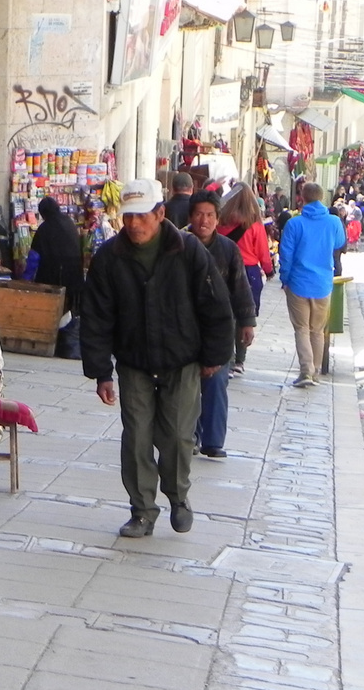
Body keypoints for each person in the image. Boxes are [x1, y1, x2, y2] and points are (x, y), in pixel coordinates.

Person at [79, 179, 235, 538]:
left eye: (142, 216)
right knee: (136, 437)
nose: (134, 225)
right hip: (134, 360)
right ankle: (142, 510)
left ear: (160, 214)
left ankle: (178, 497)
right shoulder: (110, 258)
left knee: (178, 436)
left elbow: (216, 306)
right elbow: (97, 318)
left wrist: (215, 356)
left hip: (182, 359)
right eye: (128, 217)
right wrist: (101, 371)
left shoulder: (189, 251)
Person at [186, 191, 257, 458]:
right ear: (191, 217)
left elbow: (240, 287)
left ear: (217, 219)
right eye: (198, 215)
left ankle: (213, 441)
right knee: (188, 385)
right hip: (185, 328)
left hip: (219, 329)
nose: (203, 221)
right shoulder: (178, 244)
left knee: (216, 382)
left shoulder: (228, 249)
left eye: (209, 215)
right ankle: (189, 435)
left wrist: (247, 322)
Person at [279, 181, 347, 387]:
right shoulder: (334, 222)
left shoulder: (294, 223)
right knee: (317, 330)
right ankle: (315, 371)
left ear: (303, 197)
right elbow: (339, 244)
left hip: (298, 281)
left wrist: (285, 279)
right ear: (321, 198)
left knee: (301, 328)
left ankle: (306, 371)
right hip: (323, 283)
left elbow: (286, 254)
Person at [218, 189, 274, 375]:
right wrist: (268, 270)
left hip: (224, 269)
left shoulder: (222, 223)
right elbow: (262, 252)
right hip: (249, 272)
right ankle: (240, 360)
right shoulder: (254, 225)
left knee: (227, 314)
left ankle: (228, 356)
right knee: (245, 315)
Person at [23, 196, 85, 313]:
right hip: (75, 277)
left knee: (52, 313)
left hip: (55, 279)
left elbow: (33, 258)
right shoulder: (69, 222)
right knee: (70, 312)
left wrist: (25, 281)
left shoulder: (44, 229)